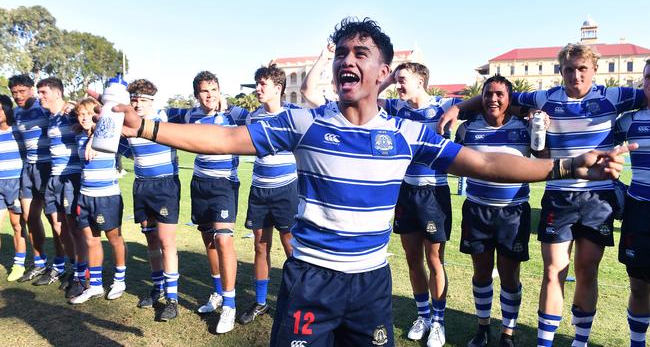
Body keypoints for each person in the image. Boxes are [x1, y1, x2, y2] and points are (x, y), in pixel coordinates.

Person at [108, 17, 632, 347]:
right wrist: (147, 126)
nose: (347, 61)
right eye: (342, 54)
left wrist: (566, 167)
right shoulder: (305, 122)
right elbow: (224, 141)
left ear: (384, 73)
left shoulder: (407, 133)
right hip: (311, 281)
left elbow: (487, 164)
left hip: (371, 286)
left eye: (361, 54)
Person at [438, 43, 647, 347]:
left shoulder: (614, 96)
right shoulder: (545, 98)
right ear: (560, 71)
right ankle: (544, 343)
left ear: (594, 69)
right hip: (558, 193)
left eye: (582, 69)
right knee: (552, 271)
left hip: (598, 197)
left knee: (586, 271)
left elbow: (648, 93)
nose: (576, 75)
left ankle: (580, 341)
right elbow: (500, 97)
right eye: (569, 69)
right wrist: (457, 107)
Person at [376, 62, 462, 346]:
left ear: (421, 81)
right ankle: (423, 316)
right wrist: (389, 78)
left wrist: (456, 109)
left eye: (403, 80)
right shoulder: (395, 108)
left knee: (434, 259)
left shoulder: (441, 106)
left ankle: (438, 322)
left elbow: (475, 102)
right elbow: (368, 96)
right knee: (412, 259)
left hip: (434, 193)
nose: (398, 85)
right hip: (405, 192)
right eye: (397, 80)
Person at [167, 71, 248, 333]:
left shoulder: (233, 115)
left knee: (224, 239)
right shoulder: (190, 116)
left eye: (213, 89)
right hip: (199, 183)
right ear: (196, 95)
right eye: (204, 91)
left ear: (219, 90)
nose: (210, 95)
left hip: (225, 184)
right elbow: (161, 113)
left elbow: (260, 117)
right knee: (209, 240)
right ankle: (217, 294)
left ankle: (230, 305)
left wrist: (231, 106)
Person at [455, 75, 533, 347]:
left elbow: (544, 156)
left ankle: (508, 333)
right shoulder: (467, 129)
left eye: (500, 94)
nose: (493, 99)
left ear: (509, 99)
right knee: (481, 273)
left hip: (513, 213)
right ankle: (483, 327)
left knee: (510, 276)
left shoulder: (525, 128)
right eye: (488, 94)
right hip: (477, 211)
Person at [238, 64, 301, 327]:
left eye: (263, 85)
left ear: (278, 88)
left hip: (286, 189)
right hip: (259, 190)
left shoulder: (295, 115)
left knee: (291, 248)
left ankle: (298, 302)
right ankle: (261, 302)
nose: (258, 89)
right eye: (257, 84)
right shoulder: (252, 118)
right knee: (260, 246)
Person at [126, 79, 181, 321]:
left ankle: (172, 299)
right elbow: (119, 146)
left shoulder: (167, 116)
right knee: (151, 242)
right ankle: (157, 287)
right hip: (141, 186)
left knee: (167, 242)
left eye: (143, 100)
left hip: (165, 186)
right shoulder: (126, 122)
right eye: (134, 99)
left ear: (152, 101)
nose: (138, 104)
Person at [69, 97, 128, 304]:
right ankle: (94, 286)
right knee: (91, 241)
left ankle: (119, 281)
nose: (84, 118)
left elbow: (115, 115)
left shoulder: (109, 136)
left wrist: (95, 136)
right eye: (80, 114)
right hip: (85, 196)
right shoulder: (78, 135)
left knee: (114, 239)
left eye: (87, 114)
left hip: (107, 197)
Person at [33, 77, 86, 297]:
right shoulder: (51, 116)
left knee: (74, 227)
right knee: (57, 226)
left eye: (44, 92)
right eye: (39, 92)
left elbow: (91, 119)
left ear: (58, 93)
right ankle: (72, 268)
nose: (40, 96)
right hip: (53, 178)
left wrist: (75, 107)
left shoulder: (70, 112)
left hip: (70, 177)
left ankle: (81, 276)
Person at [614, 59, 650, 347]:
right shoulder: (629, 121)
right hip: (639, 210)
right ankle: (636, 343)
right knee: (639, 285)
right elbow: (596, 147)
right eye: (649, 78)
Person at [9, 75, 55, 283]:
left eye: (22, 91)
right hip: (27, 168)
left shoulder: (44, 108)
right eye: (14, 92)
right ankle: (39, 262)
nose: (18, 96)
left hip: (48, 167)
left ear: (31, 90)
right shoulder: (16, 113)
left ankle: (63, 264)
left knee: (55, 219)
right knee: (29, 217)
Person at [0, 94, 27, 282]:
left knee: (17, 225)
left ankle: (18, 264)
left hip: (15, 183)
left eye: (1, 108)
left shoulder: (18, 130)